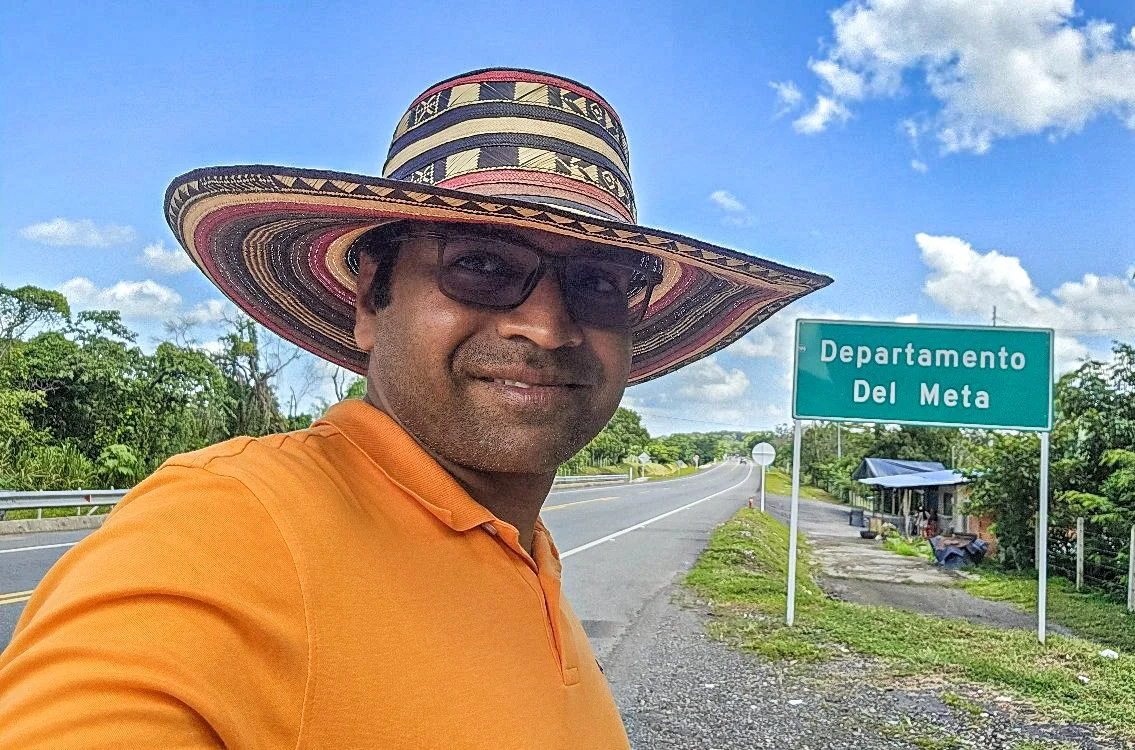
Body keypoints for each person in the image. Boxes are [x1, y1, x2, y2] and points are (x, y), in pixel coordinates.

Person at [0, 68, 830, 749]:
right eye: (478, 264)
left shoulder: (523, 548)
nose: (544, 325)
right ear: (371, 298)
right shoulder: (232, 526)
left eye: (598, 281)